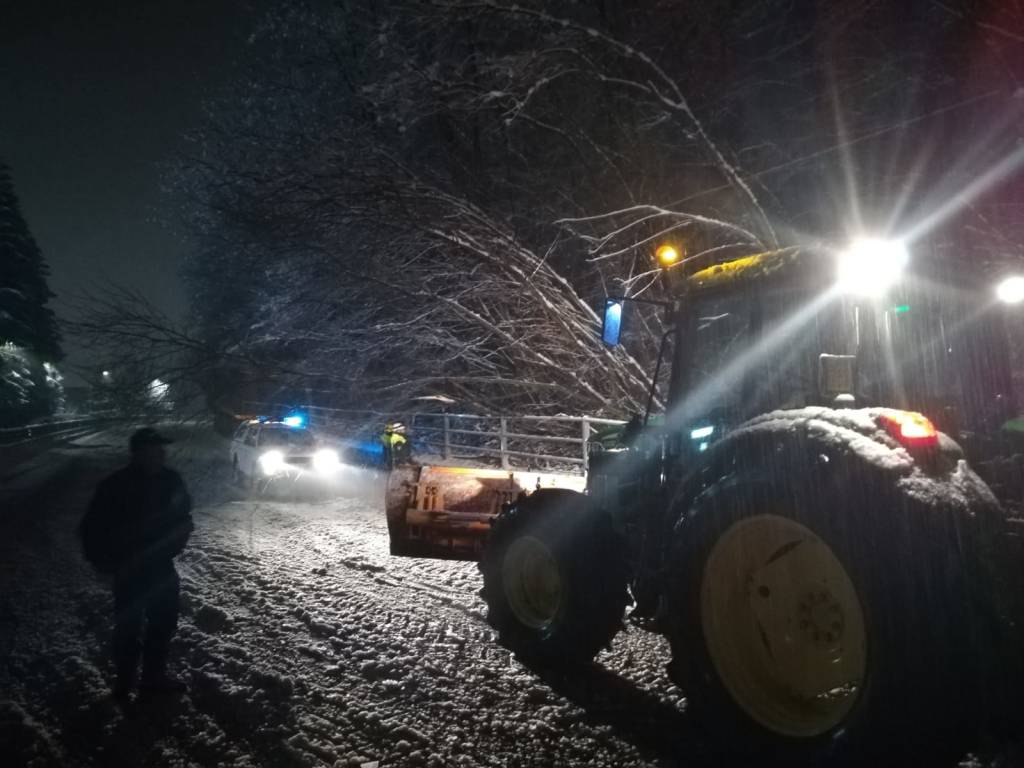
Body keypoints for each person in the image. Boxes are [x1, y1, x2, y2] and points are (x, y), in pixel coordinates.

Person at [79, 427, 193, 701]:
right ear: (138, 452)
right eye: (154, 448)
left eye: (161, 449)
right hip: (129, 569)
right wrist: (103, 561)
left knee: (163, 623)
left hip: (161, 568)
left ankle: (153, 677)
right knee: (128, 626)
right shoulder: (115, 485)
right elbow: (91, 528)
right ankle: (123, 682)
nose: (161, 453)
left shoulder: (171, 480)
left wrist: (176, 542)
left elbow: (183, 517)